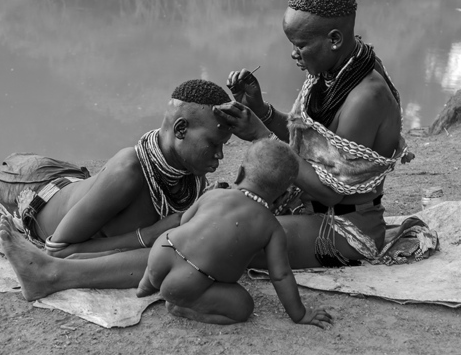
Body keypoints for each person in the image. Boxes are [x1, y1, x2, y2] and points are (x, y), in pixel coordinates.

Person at [213, 0, 414, 269]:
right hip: (306, 206)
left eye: (300, 45)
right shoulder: (335, 68)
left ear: (334, 39)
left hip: (344, 228)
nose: (294, 53)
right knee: (212, 217)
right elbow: (308, 141)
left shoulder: (365, 98)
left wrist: (261, 136)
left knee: (226, 242)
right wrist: (261, 109)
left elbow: (331, 192)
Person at [0, 79, 232, 263]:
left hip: (63, 180)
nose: (219, 155)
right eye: (212, 145)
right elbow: (57, 247)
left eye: (224, 146)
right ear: (179, 130)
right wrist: (148, 235)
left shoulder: (188, 172)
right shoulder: (129, 171)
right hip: (25, 195)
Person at [135, 139, 332, 327]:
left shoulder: (213, 194)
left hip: (161, 254)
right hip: (187, 283)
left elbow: (185, 221)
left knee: (174, 240)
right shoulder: (271, 228)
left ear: (239, 173)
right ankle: (181, 307)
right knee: (243, 307)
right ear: (283, 198)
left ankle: (146, 285)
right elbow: (281, 276)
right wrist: (300, 314)